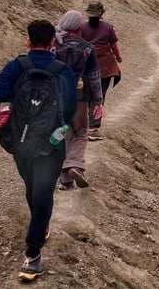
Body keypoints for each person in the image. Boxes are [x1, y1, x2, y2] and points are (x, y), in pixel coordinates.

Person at [0, 19, 77, 282]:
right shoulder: (63, 70)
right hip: (51, 145)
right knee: (42, 193)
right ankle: (32, 256)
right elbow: (70, 109)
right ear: (52, 43)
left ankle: (39, 226)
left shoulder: (16, 66)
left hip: (20, 141)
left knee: (32, 188)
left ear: (28, 41)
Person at [53, 10, 103, 189]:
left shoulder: (54, 45)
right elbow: (94, 76)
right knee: (80, 131)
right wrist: (98, 101)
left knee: (63, 132)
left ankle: (65, 180)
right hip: (80, 95)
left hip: (58, 95)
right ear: (77, 26)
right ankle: (76, 164)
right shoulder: (87, 47)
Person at [80, 1, 122, 139]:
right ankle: (93, 126)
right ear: (102, 14)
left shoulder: (81, 28)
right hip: (104, 66)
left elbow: (79, 46)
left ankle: (82, 124)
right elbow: (114, 45)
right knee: (99, 95)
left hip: (86, 65)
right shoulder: (108, 27)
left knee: (86, 95)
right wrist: (118, 57)